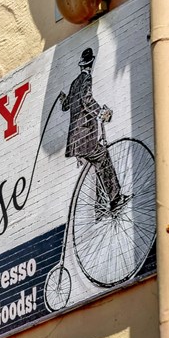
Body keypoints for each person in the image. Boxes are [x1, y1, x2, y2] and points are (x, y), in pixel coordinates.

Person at [59, 48, 128, 216]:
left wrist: (63, 98)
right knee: (103, 157)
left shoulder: (74, 82)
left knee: (99, 162)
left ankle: (100, 206)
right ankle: (115, 199)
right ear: (90, 64)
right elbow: (86, 99)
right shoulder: (86, 79)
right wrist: (101, 113)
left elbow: (66, 105)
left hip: (75, 139)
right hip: (84, 136)